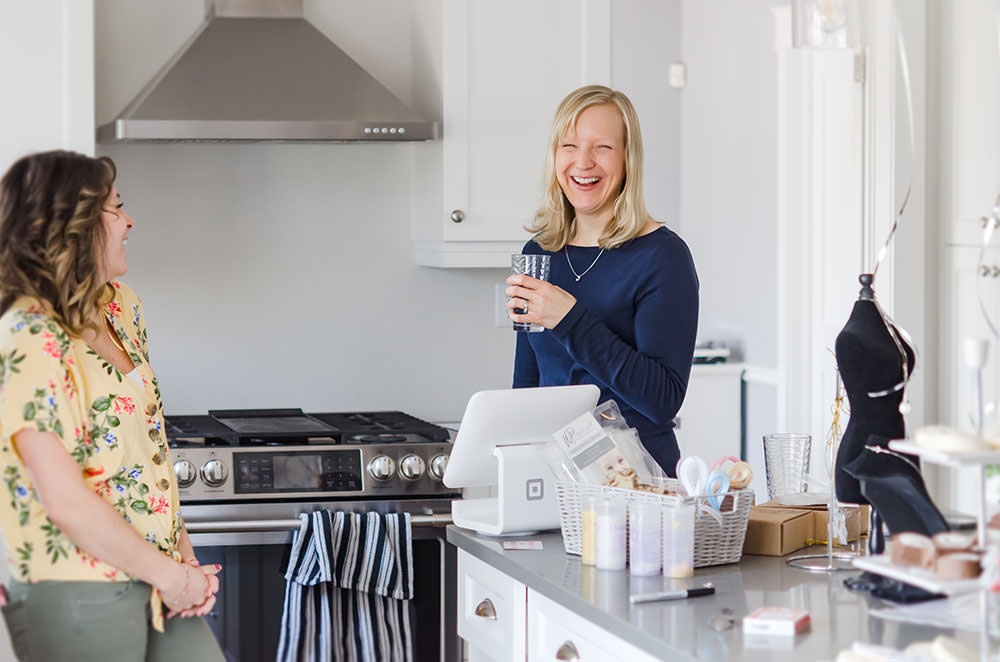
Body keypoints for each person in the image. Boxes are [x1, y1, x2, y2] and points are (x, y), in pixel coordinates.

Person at [0, 151, 224, 661]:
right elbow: (65, 501)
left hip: (158, 572)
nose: (130, 220)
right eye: (116, 208)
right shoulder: (28, 334)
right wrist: (172, 576)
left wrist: (182, 560)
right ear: (71, 226)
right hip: (78, 591)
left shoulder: (122, 306)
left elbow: (148, 450)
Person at [507, 85, 699, 476]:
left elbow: (662, 399)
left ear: (628, 158)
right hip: (553, 475)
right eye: (570, 146)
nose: (583, 162)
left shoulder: (662, 256)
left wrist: (570, 319)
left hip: (636, 481)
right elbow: (527, 386)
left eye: (603, 148)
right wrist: (515, 467)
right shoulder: (539, 252)